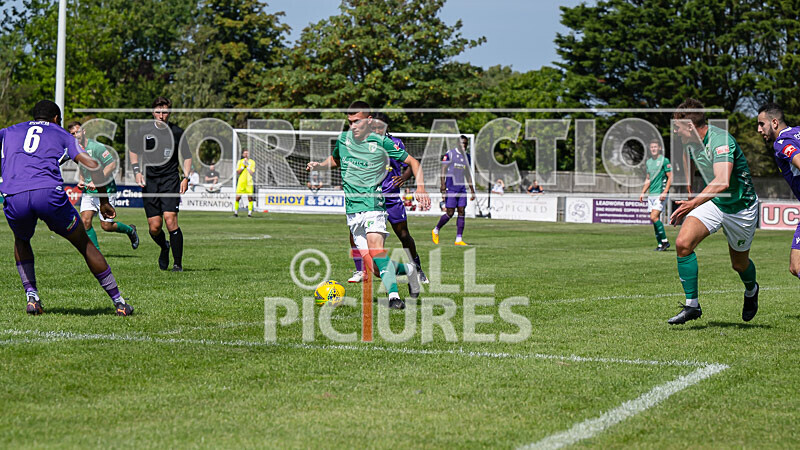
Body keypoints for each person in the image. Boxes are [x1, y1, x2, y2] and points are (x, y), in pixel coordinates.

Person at [0, 100, 133, 315]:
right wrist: (104, 201)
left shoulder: (9, 131)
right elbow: (93, 165)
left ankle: (32, 297)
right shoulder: (61, 133)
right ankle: (119, 303)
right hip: (48, 194)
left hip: (15, 195)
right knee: (84, 244)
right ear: (55, 119)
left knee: (21, 240)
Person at [307, 101, 430, 310]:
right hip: (352, 211)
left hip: (374, 205)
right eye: (350, 121)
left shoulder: (382, 142)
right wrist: (320, 164)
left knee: (377, 252)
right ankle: (410, 270)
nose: (353, 125)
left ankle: (393, 297)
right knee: (374, 267)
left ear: (369, 120)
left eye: (357, 121)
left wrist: (420, 187)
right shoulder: (343, 140)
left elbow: (413, 162)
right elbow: (336, 159)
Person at [668, 98, 759, 325]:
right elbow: (687, 159)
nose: (675, 132)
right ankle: (692, 306)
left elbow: (722, 181)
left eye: (677, 127)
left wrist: (694, 202)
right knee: (682, 244)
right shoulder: (690, 142)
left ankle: (751, 290)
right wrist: (690, 192)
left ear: (689, 126)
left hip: (741, 208)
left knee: (739, 264)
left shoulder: (720, 140)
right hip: (717, 203)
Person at [346, 112, 428, 284]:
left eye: (379, 126)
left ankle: (417, 267)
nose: (376, 129)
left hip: (390, 197)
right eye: (373, 126)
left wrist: (405, 178)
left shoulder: (394, 143)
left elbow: (411, 163)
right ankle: (360, 270)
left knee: (404, 235)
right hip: (370, 198)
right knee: (354, 233)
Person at [129, 96, 191, 271]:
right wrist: (136, 171)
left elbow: (187, 157)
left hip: (170, 179)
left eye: (164, 112)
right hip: (150, 181)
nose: (161, 115)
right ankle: (164, 247)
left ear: (169, 112)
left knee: (171, 220)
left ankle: (177, 264)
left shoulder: (178, 132)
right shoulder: (143, 130)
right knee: (154, 227)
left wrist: (186, 177)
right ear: (153, 112)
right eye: (158, 112)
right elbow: (133, 150)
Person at [67, 121, 139, 251]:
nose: (75, 135)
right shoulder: (75, 150)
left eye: (77, 132)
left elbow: (111, 164)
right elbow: (83, 167)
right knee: (85, 222)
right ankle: (97, 253)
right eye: (72, 134)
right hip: (89, 192)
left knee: (106, 226)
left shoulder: (96, 147)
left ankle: (130, 230)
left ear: (83, 131)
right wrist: (82, 180)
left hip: (106, 190)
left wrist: (97, 181)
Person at [757, 102, 800, 280]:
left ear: (774, 122)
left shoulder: (781, 142)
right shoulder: (797, 131)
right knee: (795, 266)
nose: (759, 130)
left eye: (761, 124)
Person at [432, 135, 476, 246]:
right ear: (457, 143)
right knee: (450, 213)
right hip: (450, 188)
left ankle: (458, 239)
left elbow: (467, 174)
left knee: (462, 211)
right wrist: (443, 185)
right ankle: (436, 230)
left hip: (461, 189)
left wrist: (472, 189)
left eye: (465, 143)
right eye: (462, 143)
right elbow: (443, 170)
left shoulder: (467, 157)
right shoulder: (450, 154)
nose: (464, 145)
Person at [638, 139, 672, 251]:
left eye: (655, 147)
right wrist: (643, 192)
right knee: (654, 219)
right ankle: (659, 244)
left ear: (660, 148)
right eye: (651, 147)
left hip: (660, 194)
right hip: (651, 194)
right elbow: (648, 179)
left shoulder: (664, 160)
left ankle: (665, 241)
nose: (653, 149)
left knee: (653, 216)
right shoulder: (648, 162)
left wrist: (665, 191)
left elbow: (670, 177)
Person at [235, 149, 255, 217]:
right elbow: (238, 172)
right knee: (237, 197)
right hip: (241, 182)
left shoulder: (252, 162)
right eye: (245, 153)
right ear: (243, 154)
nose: (246, 154)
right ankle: (236, 212)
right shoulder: (240, 162)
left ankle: (249, 213)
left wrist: (248, 167)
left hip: (249, 182)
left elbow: (252, 172)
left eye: (247, 153)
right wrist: (243, 166)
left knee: (250, 198)